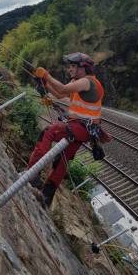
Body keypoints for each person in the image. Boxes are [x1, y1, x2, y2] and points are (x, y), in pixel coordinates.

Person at [28, 52, 104, 207]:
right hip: (84, 130)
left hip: (80, 127)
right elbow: (58, 94)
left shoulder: (86, 82)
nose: (70, 69)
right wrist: (44, 83)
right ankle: (47, 197)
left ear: (83, 68)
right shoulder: (81, 83)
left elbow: (62, 89)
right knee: (61, 160)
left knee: (48, 132)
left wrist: (46, 75)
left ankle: (32, 173)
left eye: (73, 66)